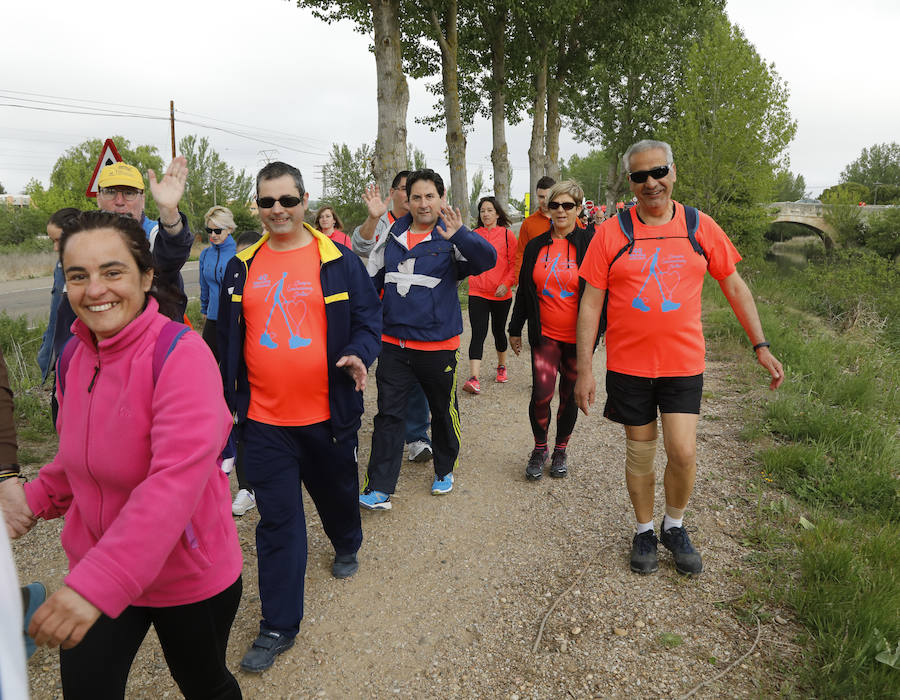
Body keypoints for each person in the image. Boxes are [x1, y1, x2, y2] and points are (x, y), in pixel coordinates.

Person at [0, 211, 244, 698]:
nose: (95, 290)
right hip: (99, 562)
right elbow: (78, 459)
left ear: (147, 277)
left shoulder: (181, 355)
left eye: (112, 272)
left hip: (185, 574)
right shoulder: (75, 354)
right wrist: (29, 500)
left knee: (204, 684)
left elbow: (173, 484)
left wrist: (95, 584)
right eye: (78, 276)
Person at [574, 139, 784, 576]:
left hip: (682, 364)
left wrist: (760, 345)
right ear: (630, 182)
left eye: (658, 172)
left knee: (683, 452)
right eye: (640, 176)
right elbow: (591, 303)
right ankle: (644, 531)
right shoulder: (611, 232)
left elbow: (734, 284)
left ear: (673, 172)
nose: (651, 183)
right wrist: (584, 370)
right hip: (629, 366)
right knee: (640, 454)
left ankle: (674, 525)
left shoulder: (699, 226)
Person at [217, 162, 382, 673]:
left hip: (327, 417)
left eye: (287, 200)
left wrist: (359, 353)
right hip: (264, 421)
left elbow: (368, 320)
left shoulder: (337, 259)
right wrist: (222, 403)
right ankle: (277, 625)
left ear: (305, 201)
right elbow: (223, 340)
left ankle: (347, 541)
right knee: (278, 523)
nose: (278, 210)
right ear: (257, 206)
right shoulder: (241, 265)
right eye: (267, 202)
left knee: (336, 495)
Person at [360, 168, 496, 510]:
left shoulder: (450, 235)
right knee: (388, 416)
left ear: (442, 197)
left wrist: (461, 234)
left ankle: (444, 468)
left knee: (443, 411)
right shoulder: (392, 234)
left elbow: (487, 260)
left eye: (430, 196)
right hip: (393, 344)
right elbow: (368, 278)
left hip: (437, 346)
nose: (423, 204)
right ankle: (379, 487)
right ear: (406, 200)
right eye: (416, 197)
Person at [508, 180, 597, 481]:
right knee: (541, 396)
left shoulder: (589, 244)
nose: (560, 211)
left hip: (577, 340)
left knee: (569, 397)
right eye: (555, 205)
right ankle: (540, 447)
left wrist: (598, 333)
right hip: (544, 335)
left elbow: (601, 293)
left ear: (578, 208)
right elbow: (525, 291)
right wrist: (515, 327)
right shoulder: (536, 246)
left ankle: (561, 449)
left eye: (567, 205)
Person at [352, 171, 433, 463]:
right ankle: (351, 436)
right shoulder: (382, 221)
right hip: (375, 314)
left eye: (418, 192)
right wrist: (373, 218)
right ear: (394, 193)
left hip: (412, 317)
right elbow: (360, 246)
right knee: (361, 371)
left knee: (416, 379)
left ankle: (417, 436)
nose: (411, 196)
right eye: (405, 189)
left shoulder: (427, 224)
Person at [95, 159, 194, 320]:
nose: (119, 201)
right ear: (98, 198)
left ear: (143, 200)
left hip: (157, 334)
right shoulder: (85, 242)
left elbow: (173, 251)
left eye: (129, 193)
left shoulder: (153, 235)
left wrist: (169, 213)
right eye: (110, 192)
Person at [462, 196, 517, 394]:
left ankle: (501, 366)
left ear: (498, 214)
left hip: (501, 293)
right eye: (482, 211)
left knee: (498, 331)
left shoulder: (507, 235)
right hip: (477, 291)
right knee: (478, 333)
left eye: (489, 210)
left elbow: (514, 264)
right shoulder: (473, 235)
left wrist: (507, 284)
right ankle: (474, 378)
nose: (485, 214)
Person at [37, 207, 81, 383]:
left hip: (80, 361)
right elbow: (56, 316)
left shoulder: (93, 269)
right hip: (62, 359)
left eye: (59, 240)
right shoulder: (61, 266)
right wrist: (47, 346)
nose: (55, 248)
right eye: (52, 241)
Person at [199, 205, 238, 362]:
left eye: (217, 231)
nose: (213, 235)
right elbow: (204, 285)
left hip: (234, 318)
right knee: (207, 362)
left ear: (229, 229)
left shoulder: (239, 253)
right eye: (209, 231)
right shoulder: (205, 254)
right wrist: (204, 308)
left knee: (231, 365)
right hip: (213, 317)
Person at [512, 175, 556, 279]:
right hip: (535, 280)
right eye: (541, 197)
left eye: (548, 197)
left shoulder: (570, 220)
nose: (545, 201)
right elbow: (521, 254)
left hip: (563, 280)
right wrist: (519, 279)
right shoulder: (528, 223)